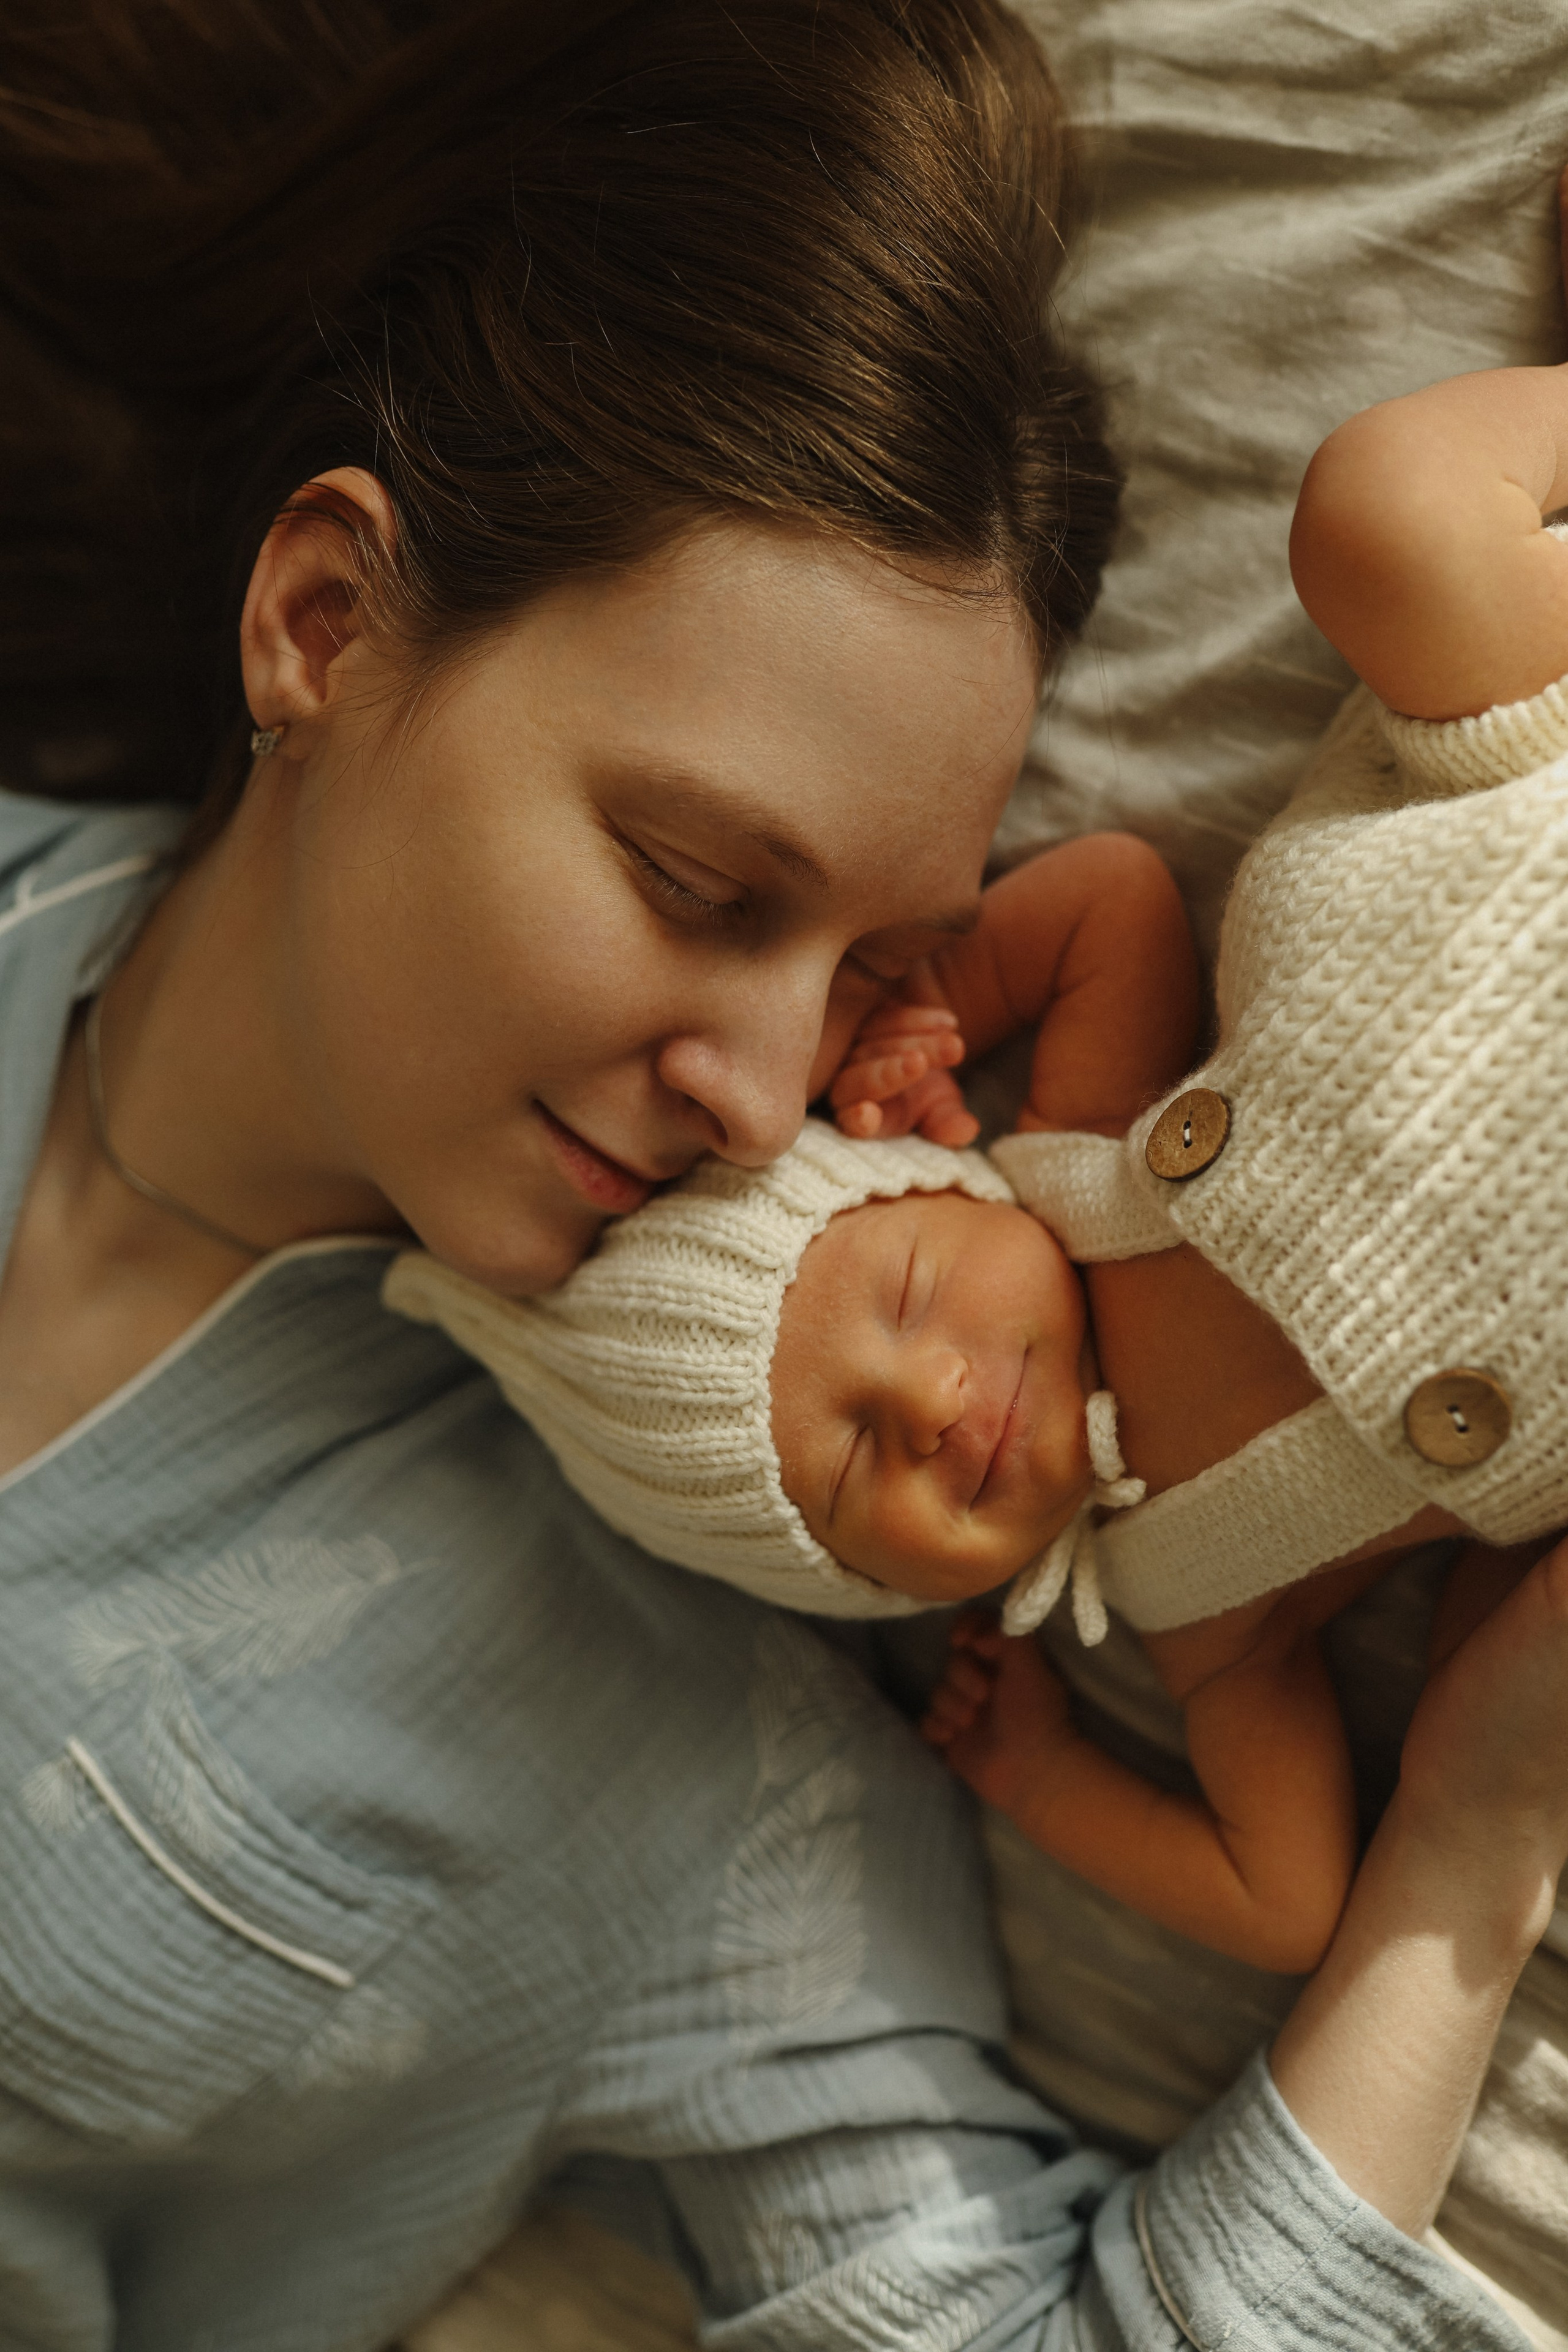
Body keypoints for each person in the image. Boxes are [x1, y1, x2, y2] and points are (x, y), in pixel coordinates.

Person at [0, 2, 1558, 2346]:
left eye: (876, 964)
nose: (760, 1086)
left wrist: (1466, 1853)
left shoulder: (684, 1712)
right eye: (699, 881)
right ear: (323, 624)